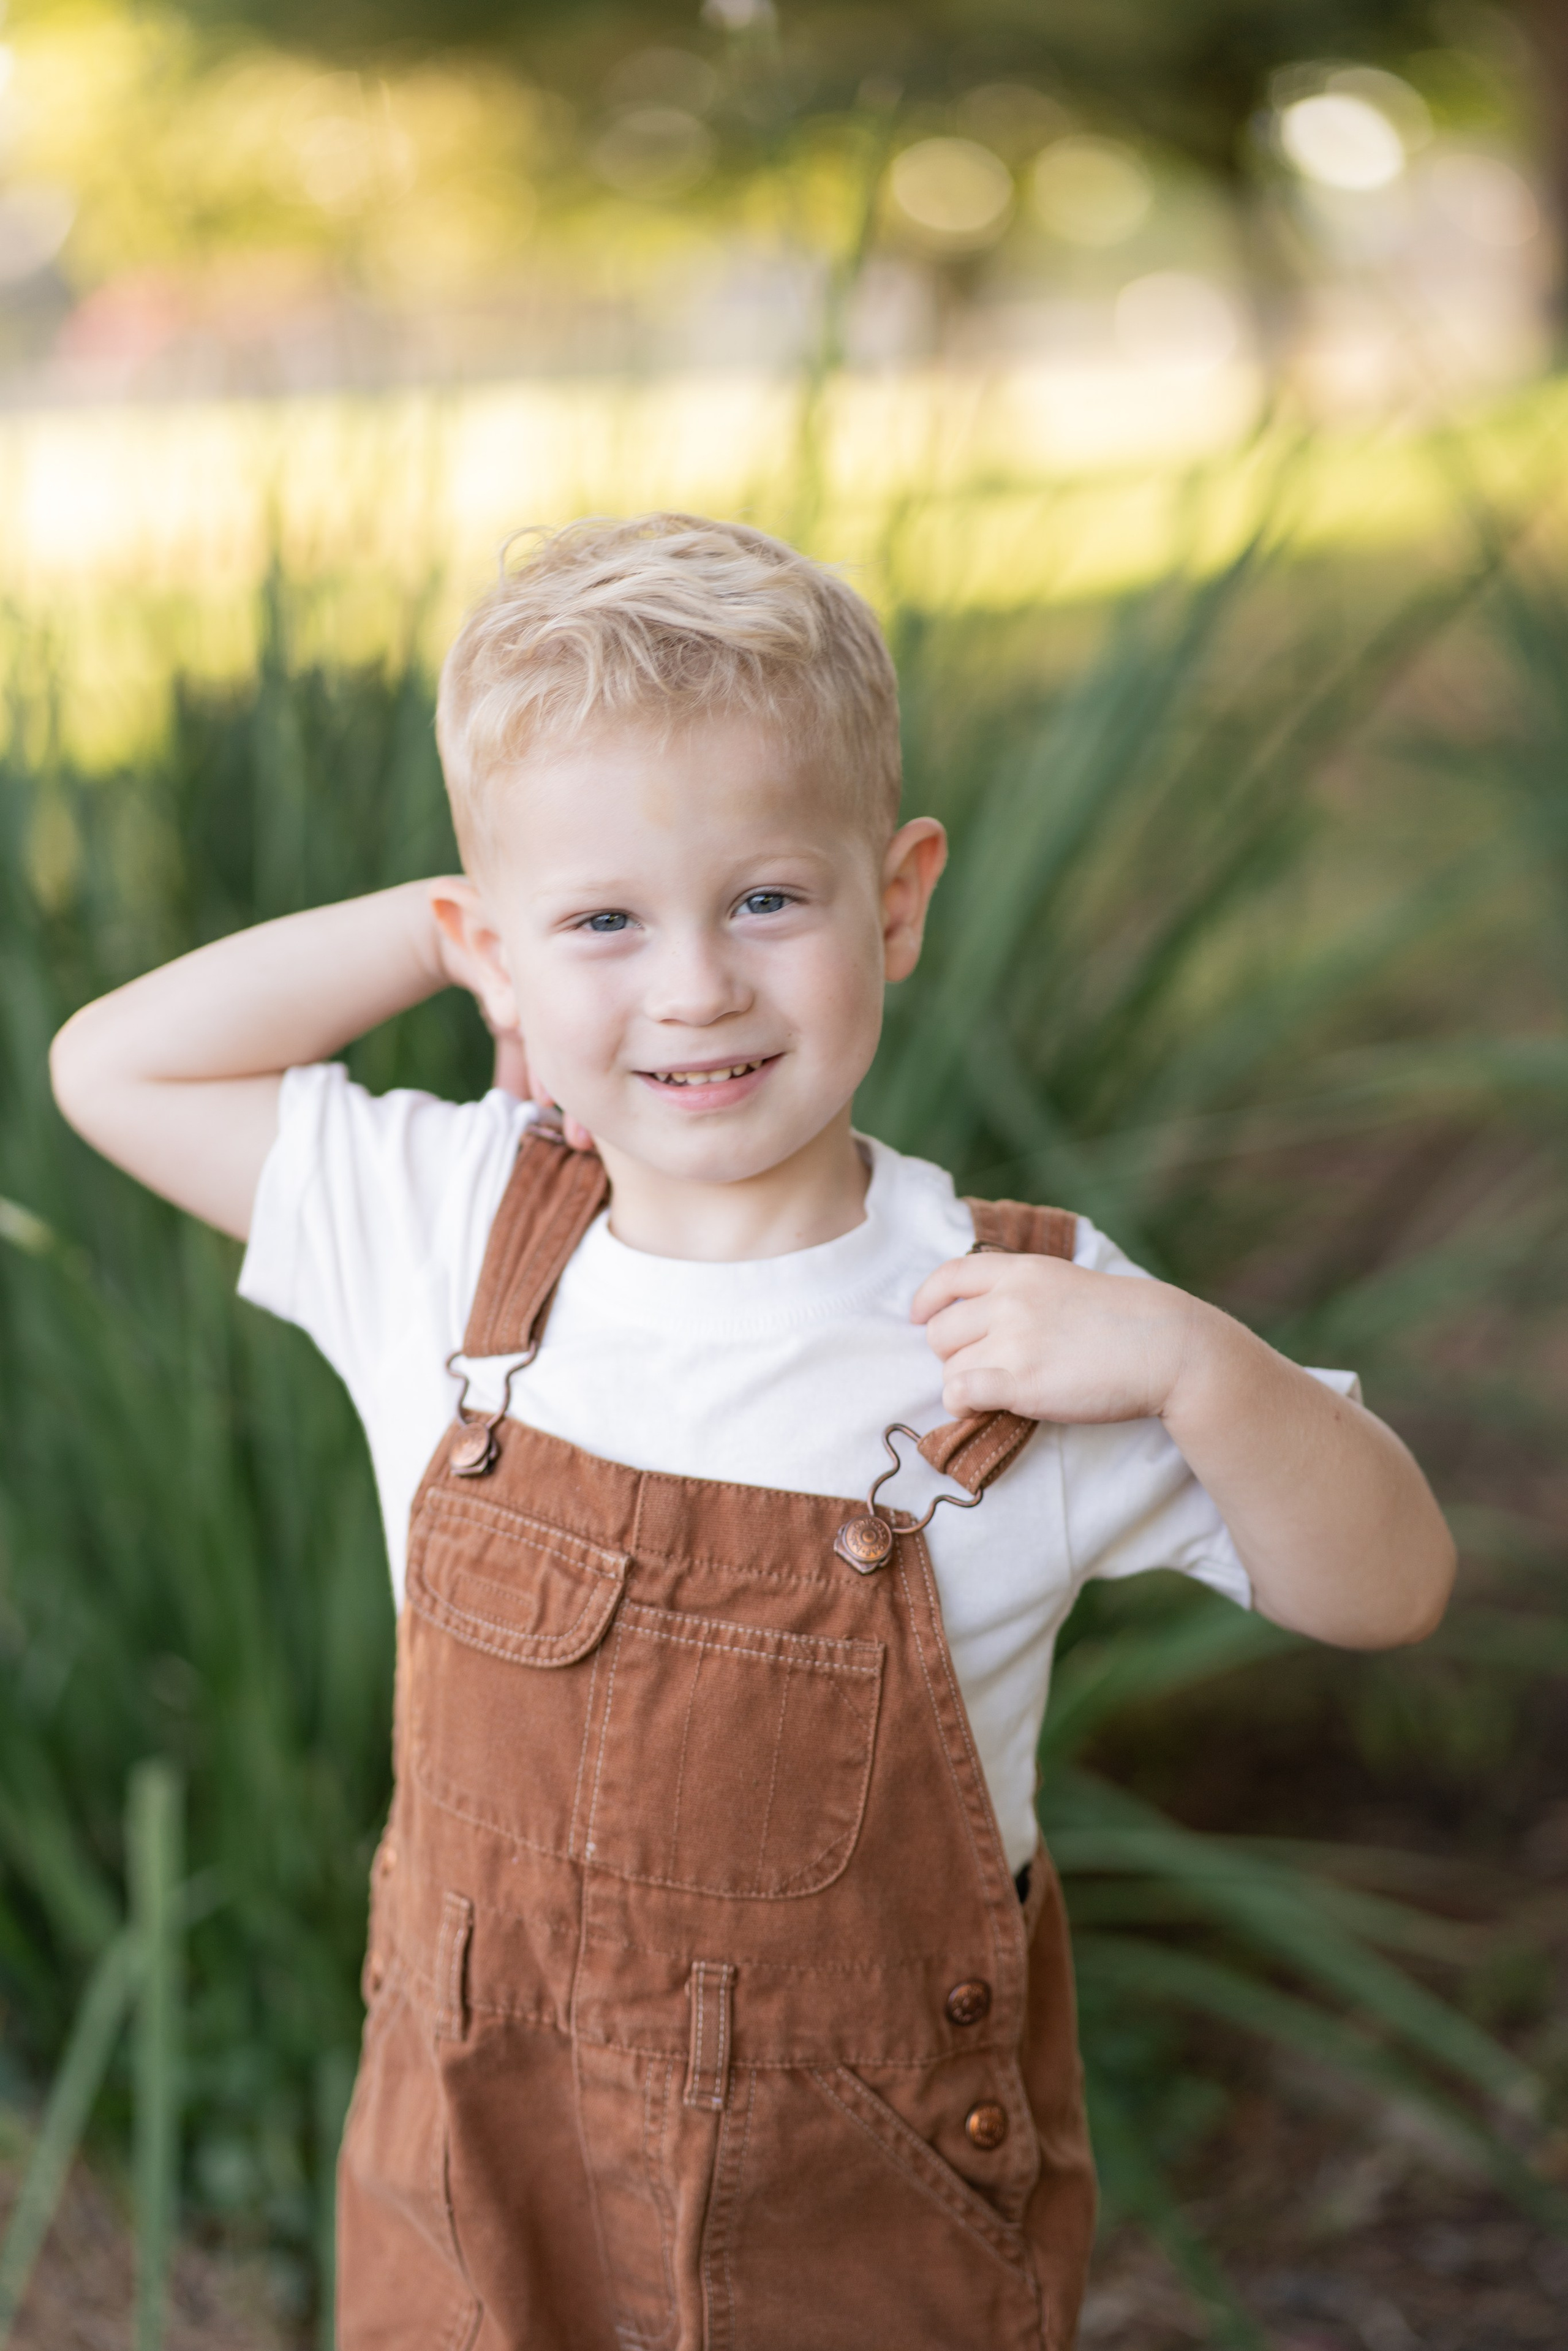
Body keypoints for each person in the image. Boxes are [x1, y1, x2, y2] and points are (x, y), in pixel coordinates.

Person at [50, 513, 1455, 2351]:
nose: (696, 985)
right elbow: (113, 1068)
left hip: (852, 2223)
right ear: (505, 952)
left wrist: (1204, 1368)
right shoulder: (453, 1227)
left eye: (767, 900)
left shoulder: (1027, 1323)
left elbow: (1390, 1587)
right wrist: (428, 934)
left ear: (898, 898)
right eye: (604, 923)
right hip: (481, 2180)